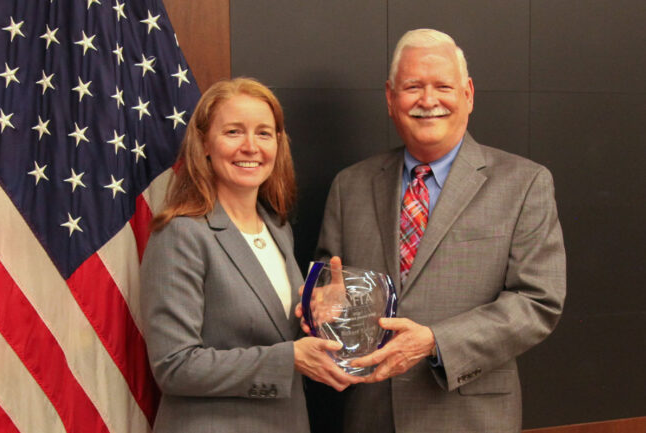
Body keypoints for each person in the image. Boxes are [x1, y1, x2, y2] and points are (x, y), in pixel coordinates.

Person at [307, 29, 566, 432]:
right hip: (372, 415)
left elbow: (538, 302)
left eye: (442, 86)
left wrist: (435, 341)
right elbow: (331, 281)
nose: (428, 100)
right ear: (390, 98)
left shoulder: (524, 183)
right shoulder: (350, 186)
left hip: (470, 418)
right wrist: (322, 306)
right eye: (413, 87)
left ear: (468, 94)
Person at [140, 78, 361, 433]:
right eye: (233, 132)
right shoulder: (181, 233)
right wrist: (288, 358)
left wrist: (322, 316)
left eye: (263, 133)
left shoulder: (277, 228)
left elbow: (279, 332)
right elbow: (174, 367)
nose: (250, 146)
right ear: (205, 145)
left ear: (278, 143)